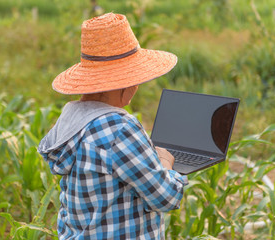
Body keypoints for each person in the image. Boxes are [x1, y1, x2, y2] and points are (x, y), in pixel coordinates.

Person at [38, 13, 188, 240]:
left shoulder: (71, 123)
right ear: (123, 84)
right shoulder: (119, 130)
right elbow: (166, 197)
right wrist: (165, 162)